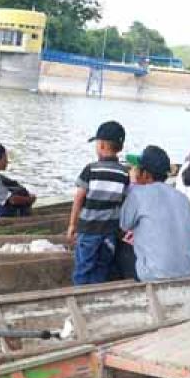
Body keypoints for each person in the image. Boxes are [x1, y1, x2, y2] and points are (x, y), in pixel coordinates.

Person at [119, 145, 190, 281]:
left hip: (154, 275)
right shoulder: (182, 198)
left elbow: (124, 225)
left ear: (145, 174)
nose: (133, 171)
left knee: (118, 247)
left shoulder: (138, 193)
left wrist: (132, 184)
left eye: (136, 169)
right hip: (187, 271)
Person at [67, 121, 130, 285]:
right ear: (120, 148)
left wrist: (73, 225)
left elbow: (79, 199)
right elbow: (124, 201)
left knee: (83, 267)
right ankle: (96, 294)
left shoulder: (91, 169)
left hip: (88, 230)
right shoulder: (124, 173)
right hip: (110, 232)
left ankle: (80, 293)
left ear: (101, 145)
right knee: (102, 267)